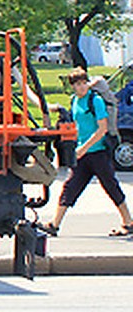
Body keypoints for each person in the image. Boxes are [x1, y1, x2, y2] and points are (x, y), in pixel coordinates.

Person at [42, 67, 133, 237]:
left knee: (111, 186)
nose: (82, 87)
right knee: (70, 187)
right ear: (73, 86)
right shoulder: (75, 101)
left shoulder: (95, 100)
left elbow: (102, 129)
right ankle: (54, 225)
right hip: (83, 155)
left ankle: (128, 222)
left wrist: (83, 148)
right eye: (78, 84)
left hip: (98, 153)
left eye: (84, 83)